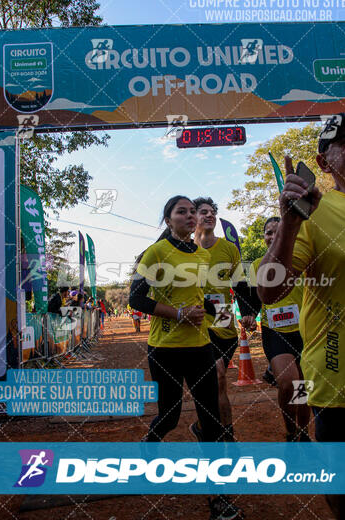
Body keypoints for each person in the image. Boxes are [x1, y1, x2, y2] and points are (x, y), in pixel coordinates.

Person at [257, 110, 345, 520]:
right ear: (323, 163)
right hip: (343, 380)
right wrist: (288, 225)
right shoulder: (314, 213)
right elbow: (269, 290)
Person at [129, 195, 244, 520]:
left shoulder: (205, 256)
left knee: (210, 421)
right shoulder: (155, 253)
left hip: (200, 347)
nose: (191, 216)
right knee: (171, 416)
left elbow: (202, 299)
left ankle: (219, 497)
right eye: (183, 211)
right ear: (169, 220)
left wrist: (229, 313)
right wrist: (177, 313)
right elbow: (136, 298)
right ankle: (149, 443)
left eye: (193, 212)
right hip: (165, 348)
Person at [246, 217, 310, 442]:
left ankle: (302, 432)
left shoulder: (302, 258)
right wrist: (250, 315)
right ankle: (290, 427)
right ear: (263, 237)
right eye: (268, 233)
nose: (272, 237)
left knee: (304, 387)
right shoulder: (256, 265)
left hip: (305, 331)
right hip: (275, 331)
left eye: (277, 232)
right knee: (288, 383)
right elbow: (254, 298)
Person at [191, 197, 243, 442]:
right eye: (204, 212)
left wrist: (250, 311)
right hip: (197, 323)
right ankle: (227, 436)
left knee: (215, 384)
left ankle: (205, 427)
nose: (209, 215)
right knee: (219, 374)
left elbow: (240, 283)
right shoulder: (183, 249)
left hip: (224, 322)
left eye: (212, 212)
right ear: (194, 218)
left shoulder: (229, 248)